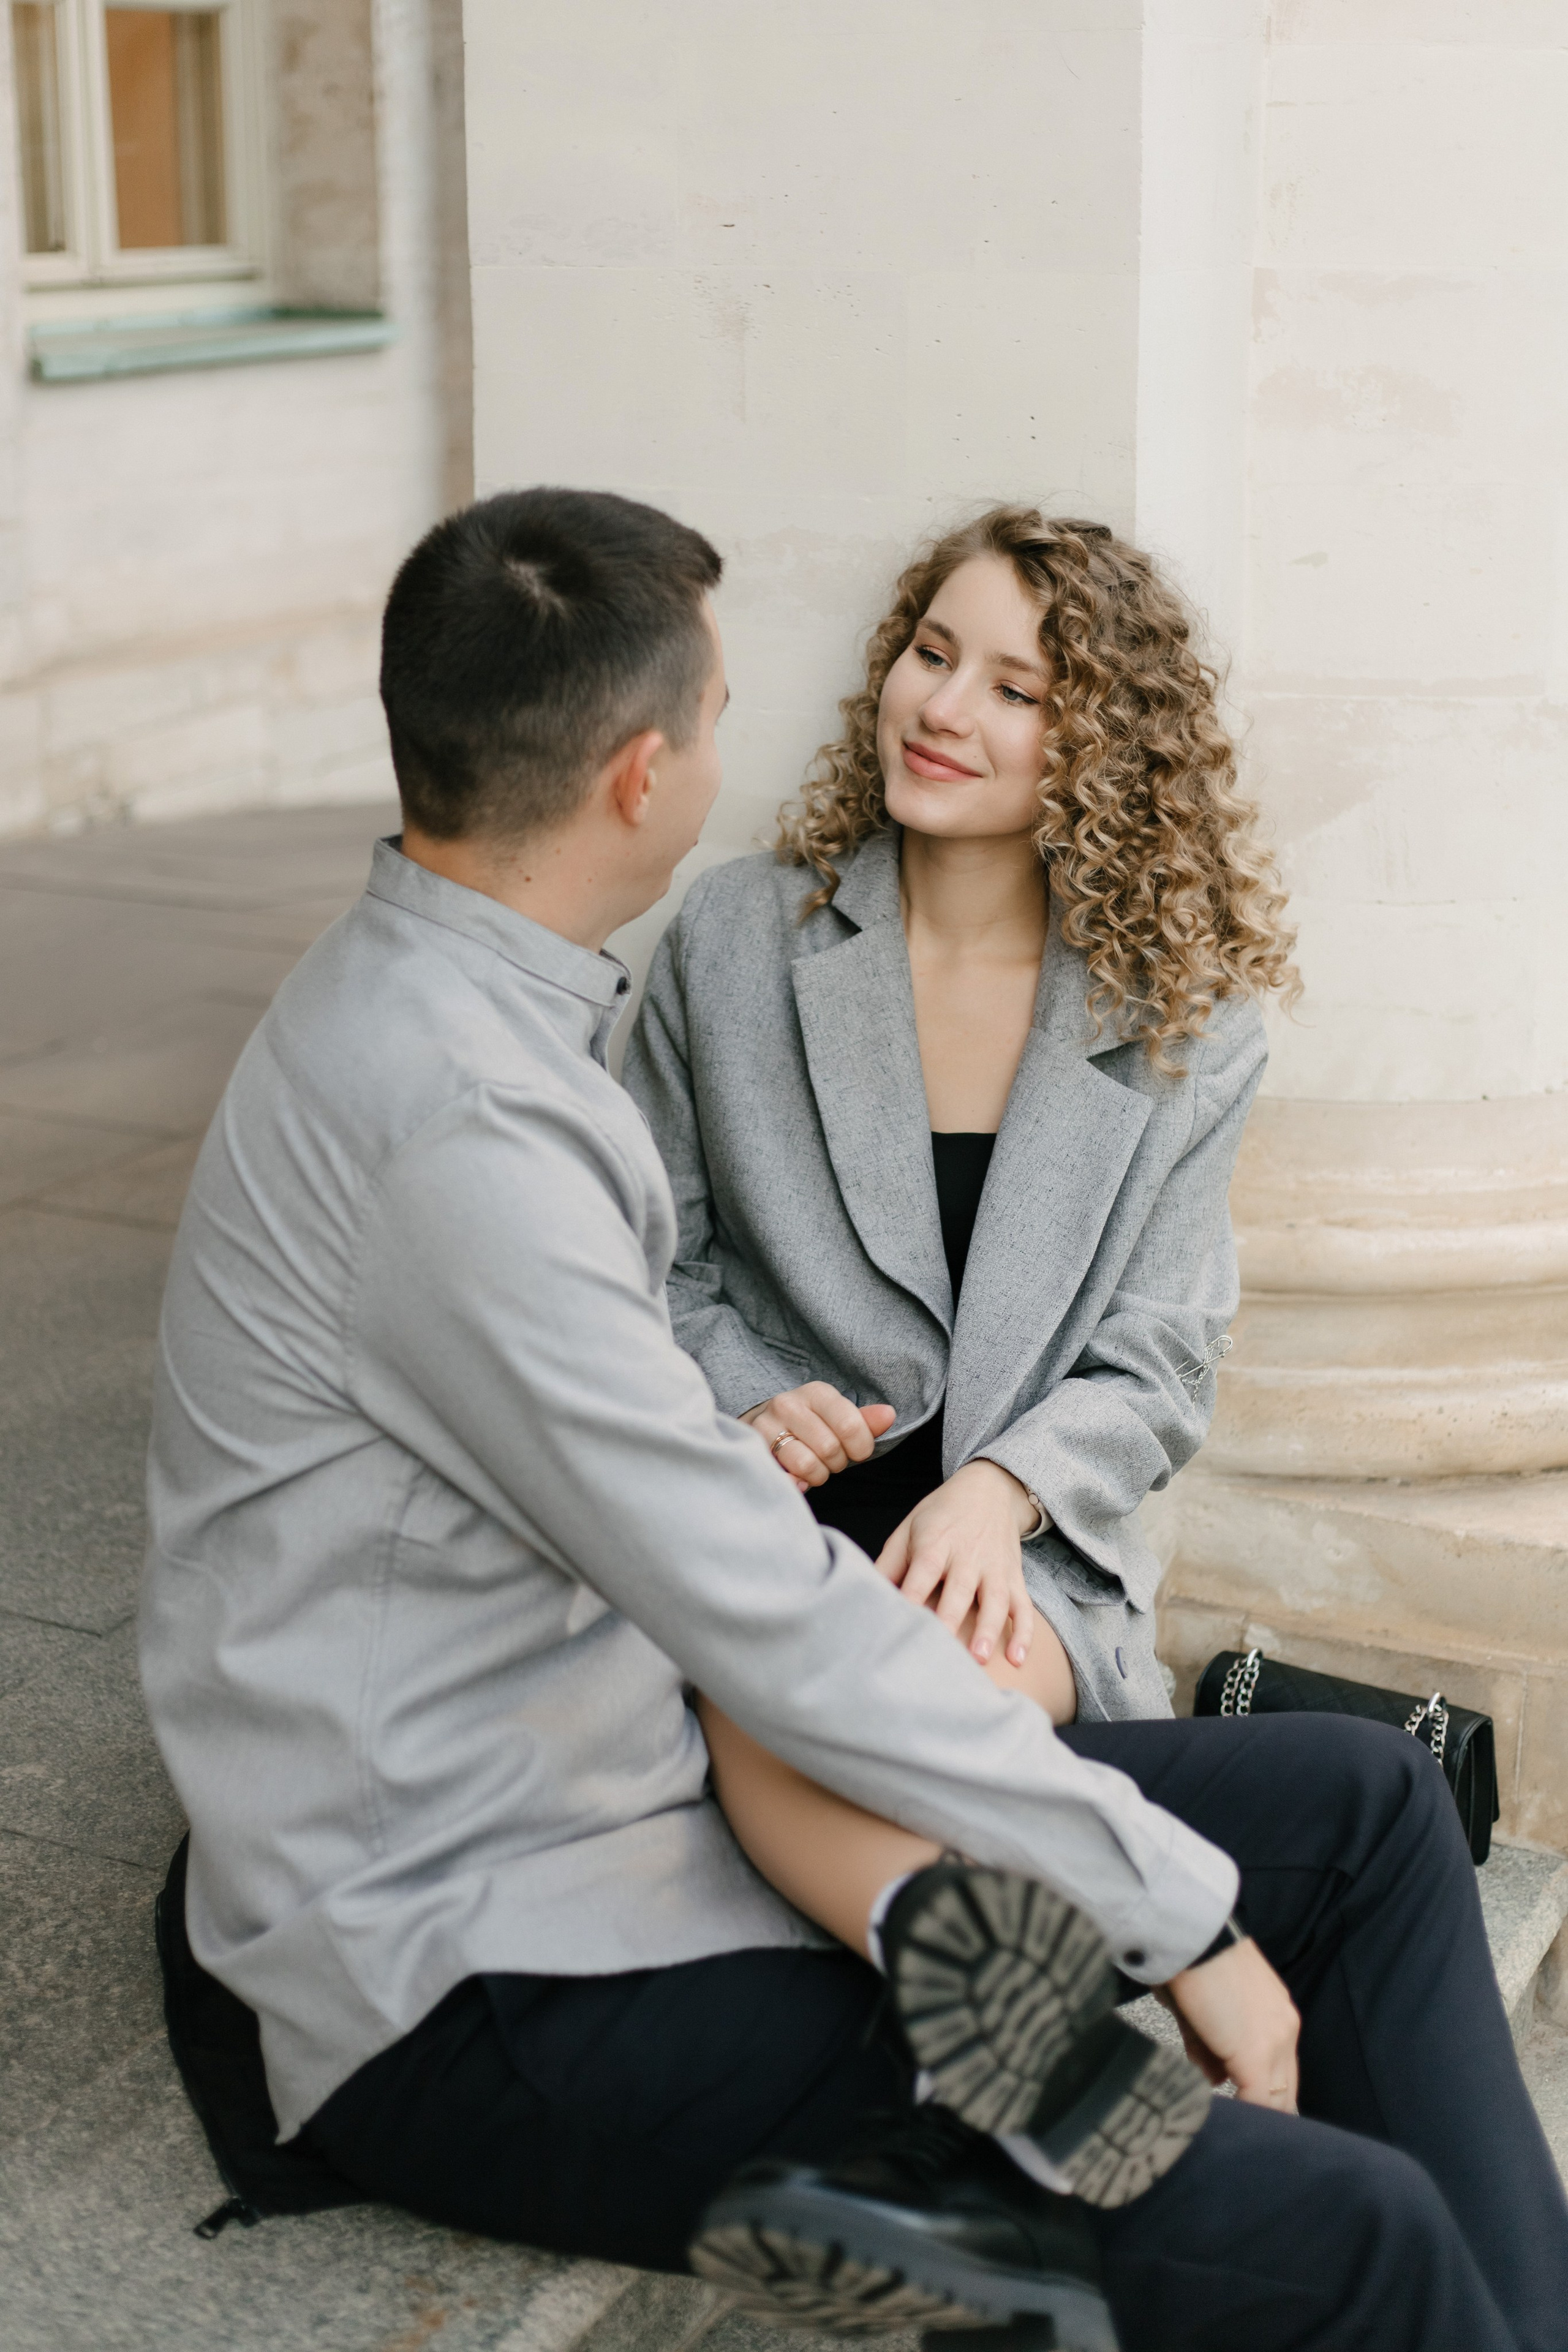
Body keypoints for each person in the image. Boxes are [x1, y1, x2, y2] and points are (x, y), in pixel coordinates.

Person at [140, 488, 1568, 2352]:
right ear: (645, 776)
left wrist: (974, 1515)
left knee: (1373, 1809)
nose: (883, 713)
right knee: (1340, 2225)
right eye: (729, 710)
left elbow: (692, 1513)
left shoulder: (472, 1016)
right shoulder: (472, 1108)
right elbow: (753, 1608)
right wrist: (1186, 1931)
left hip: (648, 1775)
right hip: (497, 1964)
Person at [620, 510, 1294, 1924]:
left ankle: (1019, 2049)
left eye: (1014, 689)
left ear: (1096, 750)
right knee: (797, 1673)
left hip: (1015, 1549)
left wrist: (1001, 1493)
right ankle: (1043, 2049)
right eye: (930, 654)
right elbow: (639, 1267)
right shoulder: (735, 936)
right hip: (765, 1510)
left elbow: (1161, 1359)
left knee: (915, 1705)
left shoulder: (1187, 1026)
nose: (940, 709)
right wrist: (752, 1399)